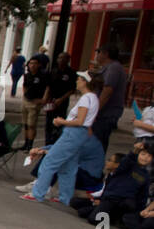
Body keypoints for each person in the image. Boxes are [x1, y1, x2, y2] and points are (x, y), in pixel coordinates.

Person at [22, 73, 102, 204]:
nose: (76, 81)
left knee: (49, 162)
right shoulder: (94, 98)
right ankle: (64, 197)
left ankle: (38, 193)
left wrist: (62, 121)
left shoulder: (86, 98)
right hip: (80, 135)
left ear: (85, 82)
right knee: (68, 167)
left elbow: (80, 120)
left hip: (73, 132)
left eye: (79, 79)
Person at [75, 141, 153, 227]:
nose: (145, 158)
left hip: (124, 203)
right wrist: (135, 150)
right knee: (86, 214)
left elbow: (143, 195)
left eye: (149, 156)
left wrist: (139, 211)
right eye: (143, 154)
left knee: (94, 219)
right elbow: (127, 161)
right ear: (138, 154)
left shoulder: (146, 176)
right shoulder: (128, 164)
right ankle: (107, 214)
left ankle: (114, 217)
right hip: (110, 199)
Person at [93, 44, 129, 152]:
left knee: (98, 142)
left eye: (98, 52)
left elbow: (107, 91)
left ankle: (95, 167)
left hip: (106, 113)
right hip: (104, 112)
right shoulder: (107, 68)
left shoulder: (114, 68)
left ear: (105, 54)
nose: (97, 55)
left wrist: (95, 111)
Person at [41, 51, 78, 146]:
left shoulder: (71, 73)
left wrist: (61, 99)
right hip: (51, 100)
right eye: (60, 58)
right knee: (49, 122)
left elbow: (72, 89)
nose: (61, 60)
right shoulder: (53, 71)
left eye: (64, 58)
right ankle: (47, 142)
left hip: (62, 101)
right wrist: (45, 98)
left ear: (68, 60)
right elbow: (48, 85)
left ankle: (57, 143)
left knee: (59, 122)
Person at [19, 56, 50, 149]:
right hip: (26, 100)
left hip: (35, 102)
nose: (32, 66)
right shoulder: (27, 75)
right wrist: (24, 94)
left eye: (34, 64)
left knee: (31, 124)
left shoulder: (42, 76)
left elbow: (48, 87)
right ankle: (25, 142)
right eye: (31, 63)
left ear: (39, 65)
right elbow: (24, 85)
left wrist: (44, 99)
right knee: (25, 123)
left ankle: (30, 144)